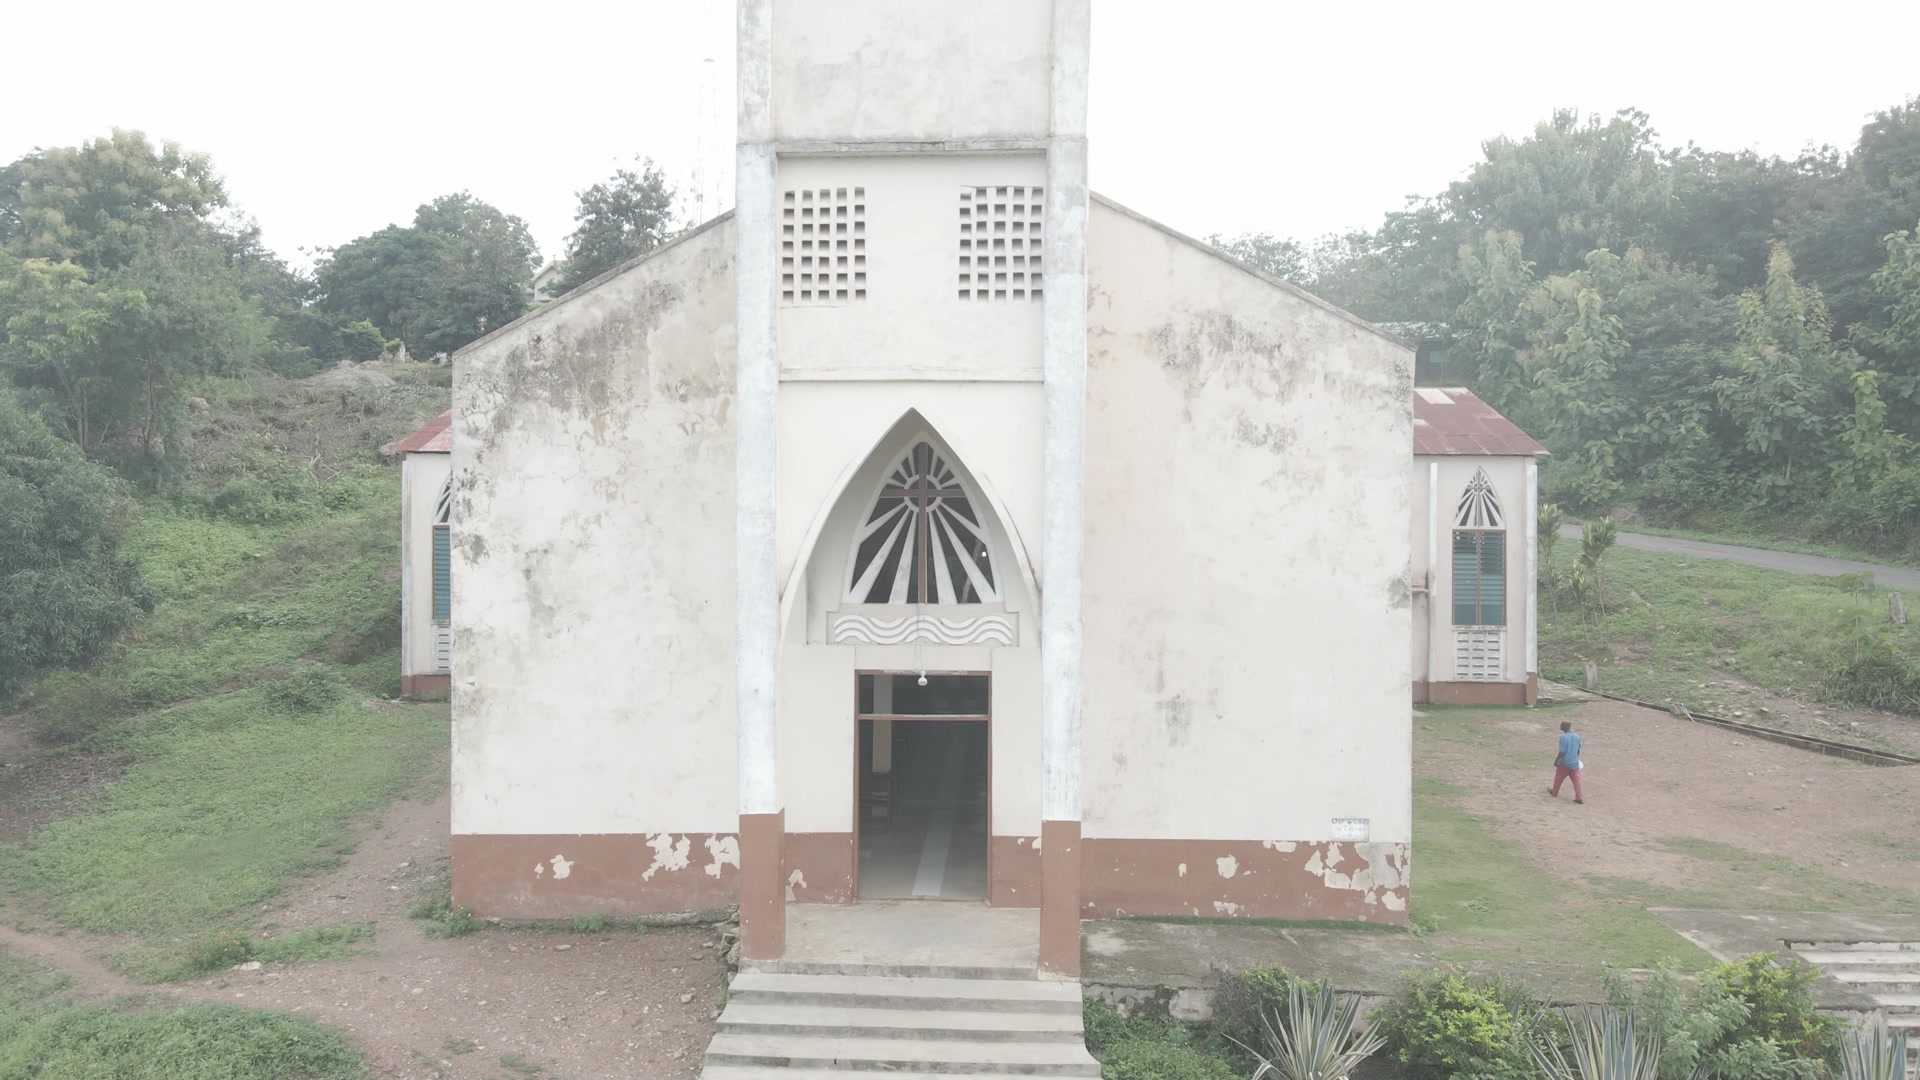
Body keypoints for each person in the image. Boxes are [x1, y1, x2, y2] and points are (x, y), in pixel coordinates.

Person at [1550, 719, 1584, 803]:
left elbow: (1562, 752)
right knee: (1577, 781)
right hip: (1575, 763)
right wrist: (1577, 758)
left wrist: (1557, 761)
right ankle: (1579, 797)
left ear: (1563, 727)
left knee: (1558, 778)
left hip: (1565, 763)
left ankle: (1554, 792)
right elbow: (1578, 749)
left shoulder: (1563, 737)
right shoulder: (1576, 736)